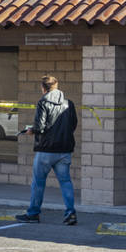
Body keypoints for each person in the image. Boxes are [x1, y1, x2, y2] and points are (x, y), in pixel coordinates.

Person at [16, 75, 79, 225]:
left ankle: (33, 214)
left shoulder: (43, 102)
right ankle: (71, 214)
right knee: (65, 182)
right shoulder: (68, 103)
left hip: (46, 150)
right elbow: (73, 124)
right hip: (64, 150)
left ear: (43, 88)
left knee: (38, 182)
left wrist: (31, 131)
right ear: (56, 87)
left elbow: (40, 127)